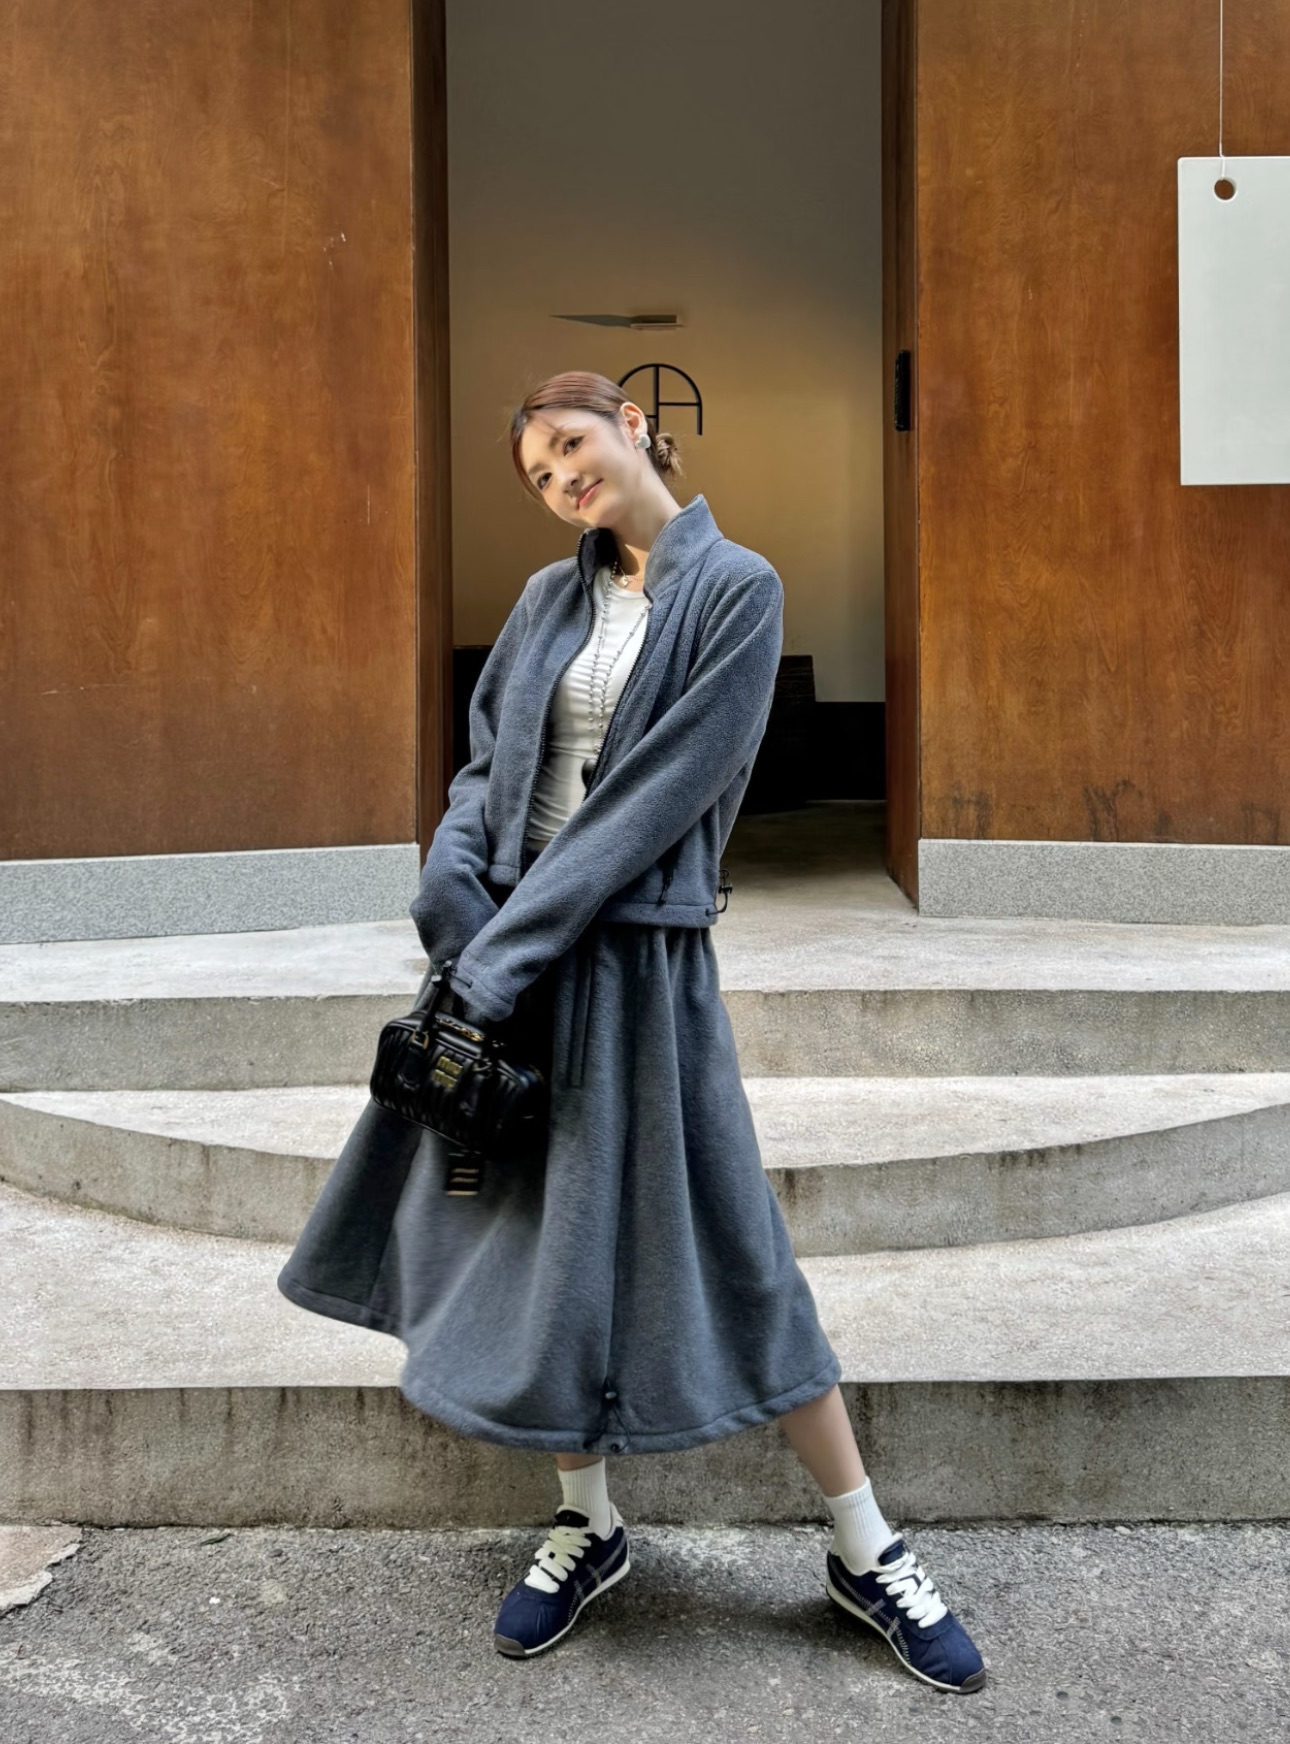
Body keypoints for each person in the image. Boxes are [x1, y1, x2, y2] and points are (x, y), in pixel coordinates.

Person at [277, 370, 985, 1695]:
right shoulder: (545, 600)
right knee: (533, 1246)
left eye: (570, 446)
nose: (561, 480)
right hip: (499, 959)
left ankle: (864, 1546)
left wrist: (505, 957)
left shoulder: (737, 589)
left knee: (735, 1247)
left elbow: (653, 802)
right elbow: (487, 769)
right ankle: (589, 1523)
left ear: (634, 427)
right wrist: (452, 901)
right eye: (539, 474)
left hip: (629, 968)